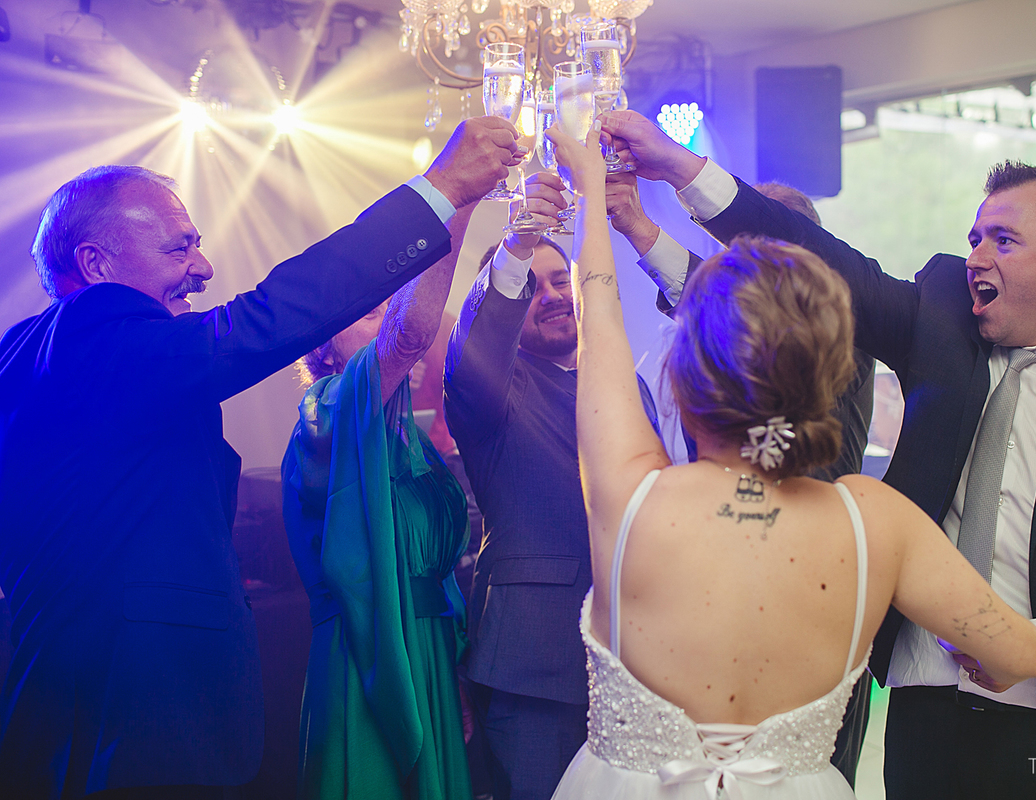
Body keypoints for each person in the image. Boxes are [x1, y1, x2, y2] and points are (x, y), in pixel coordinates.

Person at [600, 109, 1036, 799]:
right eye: (975, 237)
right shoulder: (941, 319)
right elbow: (819, 259)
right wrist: (679, 165)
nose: (978, 256)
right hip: (926, 709)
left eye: (1005, 240)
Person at [0, 116, 521, 799]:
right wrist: (440, 190)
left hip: (73, 697)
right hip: (136, 708)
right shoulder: (91, 333)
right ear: (97, 266)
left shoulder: (25, 354)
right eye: (178, 247)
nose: (202, 267)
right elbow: (265, 317)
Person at [543, 120, 1036, 799]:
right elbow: (1016, 655)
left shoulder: (633, 495)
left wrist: (592, 192)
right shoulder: (878, 524)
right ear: (833, 373)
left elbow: (597, 309)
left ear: (687, 373)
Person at [599, 170, 875, 784]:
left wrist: (638, 228)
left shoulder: (841, 344)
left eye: (743, 261)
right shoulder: (678, 353)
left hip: (801, 617)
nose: (725, 277)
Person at [443, 220, 659, 799]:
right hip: (535, 662)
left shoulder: (628, 386)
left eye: (561, 280)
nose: (554, 296)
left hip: (639, 660)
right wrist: (513, 248)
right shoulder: (492, 385)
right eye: (531, 287)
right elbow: (476, 343)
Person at [281, 200, 478, 800]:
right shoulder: (328, 414)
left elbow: (438, 577)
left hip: (434, 659)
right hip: (365, 662)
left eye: (388, 309)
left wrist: (459, 682)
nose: (387, 319)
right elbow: (412, 334)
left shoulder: (410, 437)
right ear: (324, 347)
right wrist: (460, 204)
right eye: (368, 316)